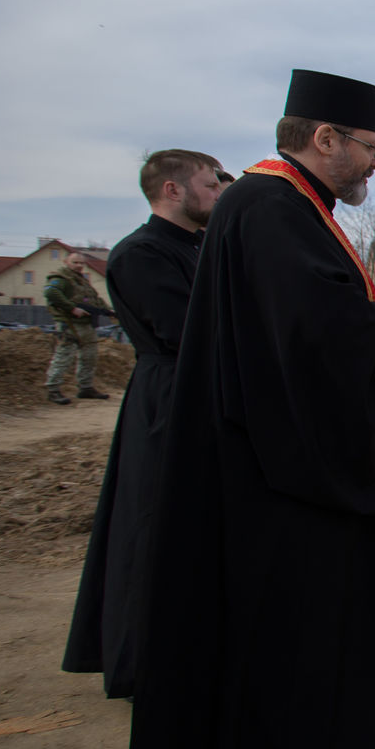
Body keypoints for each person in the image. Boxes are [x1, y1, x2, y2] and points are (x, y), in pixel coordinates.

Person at [111, 69, 375, 749]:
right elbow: (306, 351)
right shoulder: (272, 207)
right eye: (369, 148)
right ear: (324, 138)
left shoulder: (284, 208)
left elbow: (300, 320)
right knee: (296, 635)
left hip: (277, 471)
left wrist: (372, 296)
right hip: (288, 485)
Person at [63, 149, 225, 699]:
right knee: (151, 527)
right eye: (210, 183)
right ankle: (142, 665)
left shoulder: (203, 245)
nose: (220, 191)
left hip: (207, 391)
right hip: (167, 401)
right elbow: (190, 330)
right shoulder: (140, 253)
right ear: (172, 191)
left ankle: (196, 651)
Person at [43, 251, 108, 403]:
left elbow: (94, 300)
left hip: (86, 324)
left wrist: (108, 311)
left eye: (81, 263)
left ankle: (86, 387)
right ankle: (53, 390)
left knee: (89, 357)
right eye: (75, 262)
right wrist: (72, 308)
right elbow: (51, 293)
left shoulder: (81, 281)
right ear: (66, 262)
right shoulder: (60, 278)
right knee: (64, 356)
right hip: (69, 324)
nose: (79, 266)